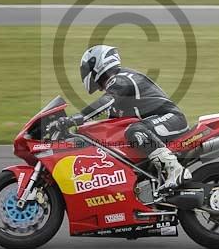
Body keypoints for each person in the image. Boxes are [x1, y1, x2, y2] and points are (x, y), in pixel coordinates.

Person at [51, 45, 190, 189]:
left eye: (87, 69)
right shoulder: (117, 89)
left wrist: (75, 118)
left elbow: (106, 101)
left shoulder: (120, 78)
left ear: (99, 64)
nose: (85, 74)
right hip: (156, 125)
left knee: (135, 131)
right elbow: (109, 126)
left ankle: (175, 169)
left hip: (171, 119)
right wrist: (78, 133)